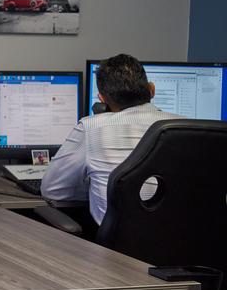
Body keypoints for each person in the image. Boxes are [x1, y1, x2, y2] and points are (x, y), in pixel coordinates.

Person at [41, 53, 184, 226]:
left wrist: (96, 186)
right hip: (179, 245)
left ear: (102, 99)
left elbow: (52, 190)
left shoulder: (92, 127)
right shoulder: (185, 128)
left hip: (116, 249)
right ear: (152, 89)